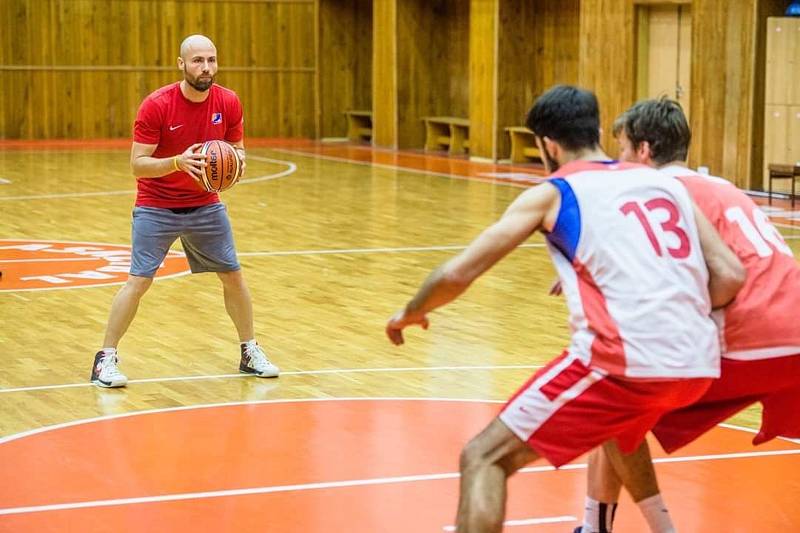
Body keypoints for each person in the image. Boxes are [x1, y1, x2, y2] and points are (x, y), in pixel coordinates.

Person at [385, 85, 745, 533]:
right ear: (596, 130)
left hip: (627, 360)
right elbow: (728, 273)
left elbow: (458, 274)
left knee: (482, 458)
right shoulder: (660, 182)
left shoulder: (554, 193)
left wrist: (410, 311)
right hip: (700, 362)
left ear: (547, 145)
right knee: (620, 427)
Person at [575, 98, 800, 533]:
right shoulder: (723, 188)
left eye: (621, 148)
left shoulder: (656, 195)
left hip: (753, 336)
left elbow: (726, 278)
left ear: (642, 150)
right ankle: (591, 526)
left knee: (608, 402)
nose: (617, 160)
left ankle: (645, 528)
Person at [90, 34, 279, 388]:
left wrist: (235, 164)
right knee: (138, 281)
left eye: (211, 60)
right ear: (181, 64)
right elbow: (138, 165)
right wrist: (178, 162)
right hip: (156, 205)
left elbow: (237, 149)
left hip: (205, 205)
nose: (205, 67)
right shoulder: (157, 105)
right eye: (197, 61)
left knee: (234, 276)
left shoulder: (229, 101)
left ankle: (249, 350)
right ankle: (105, 359)